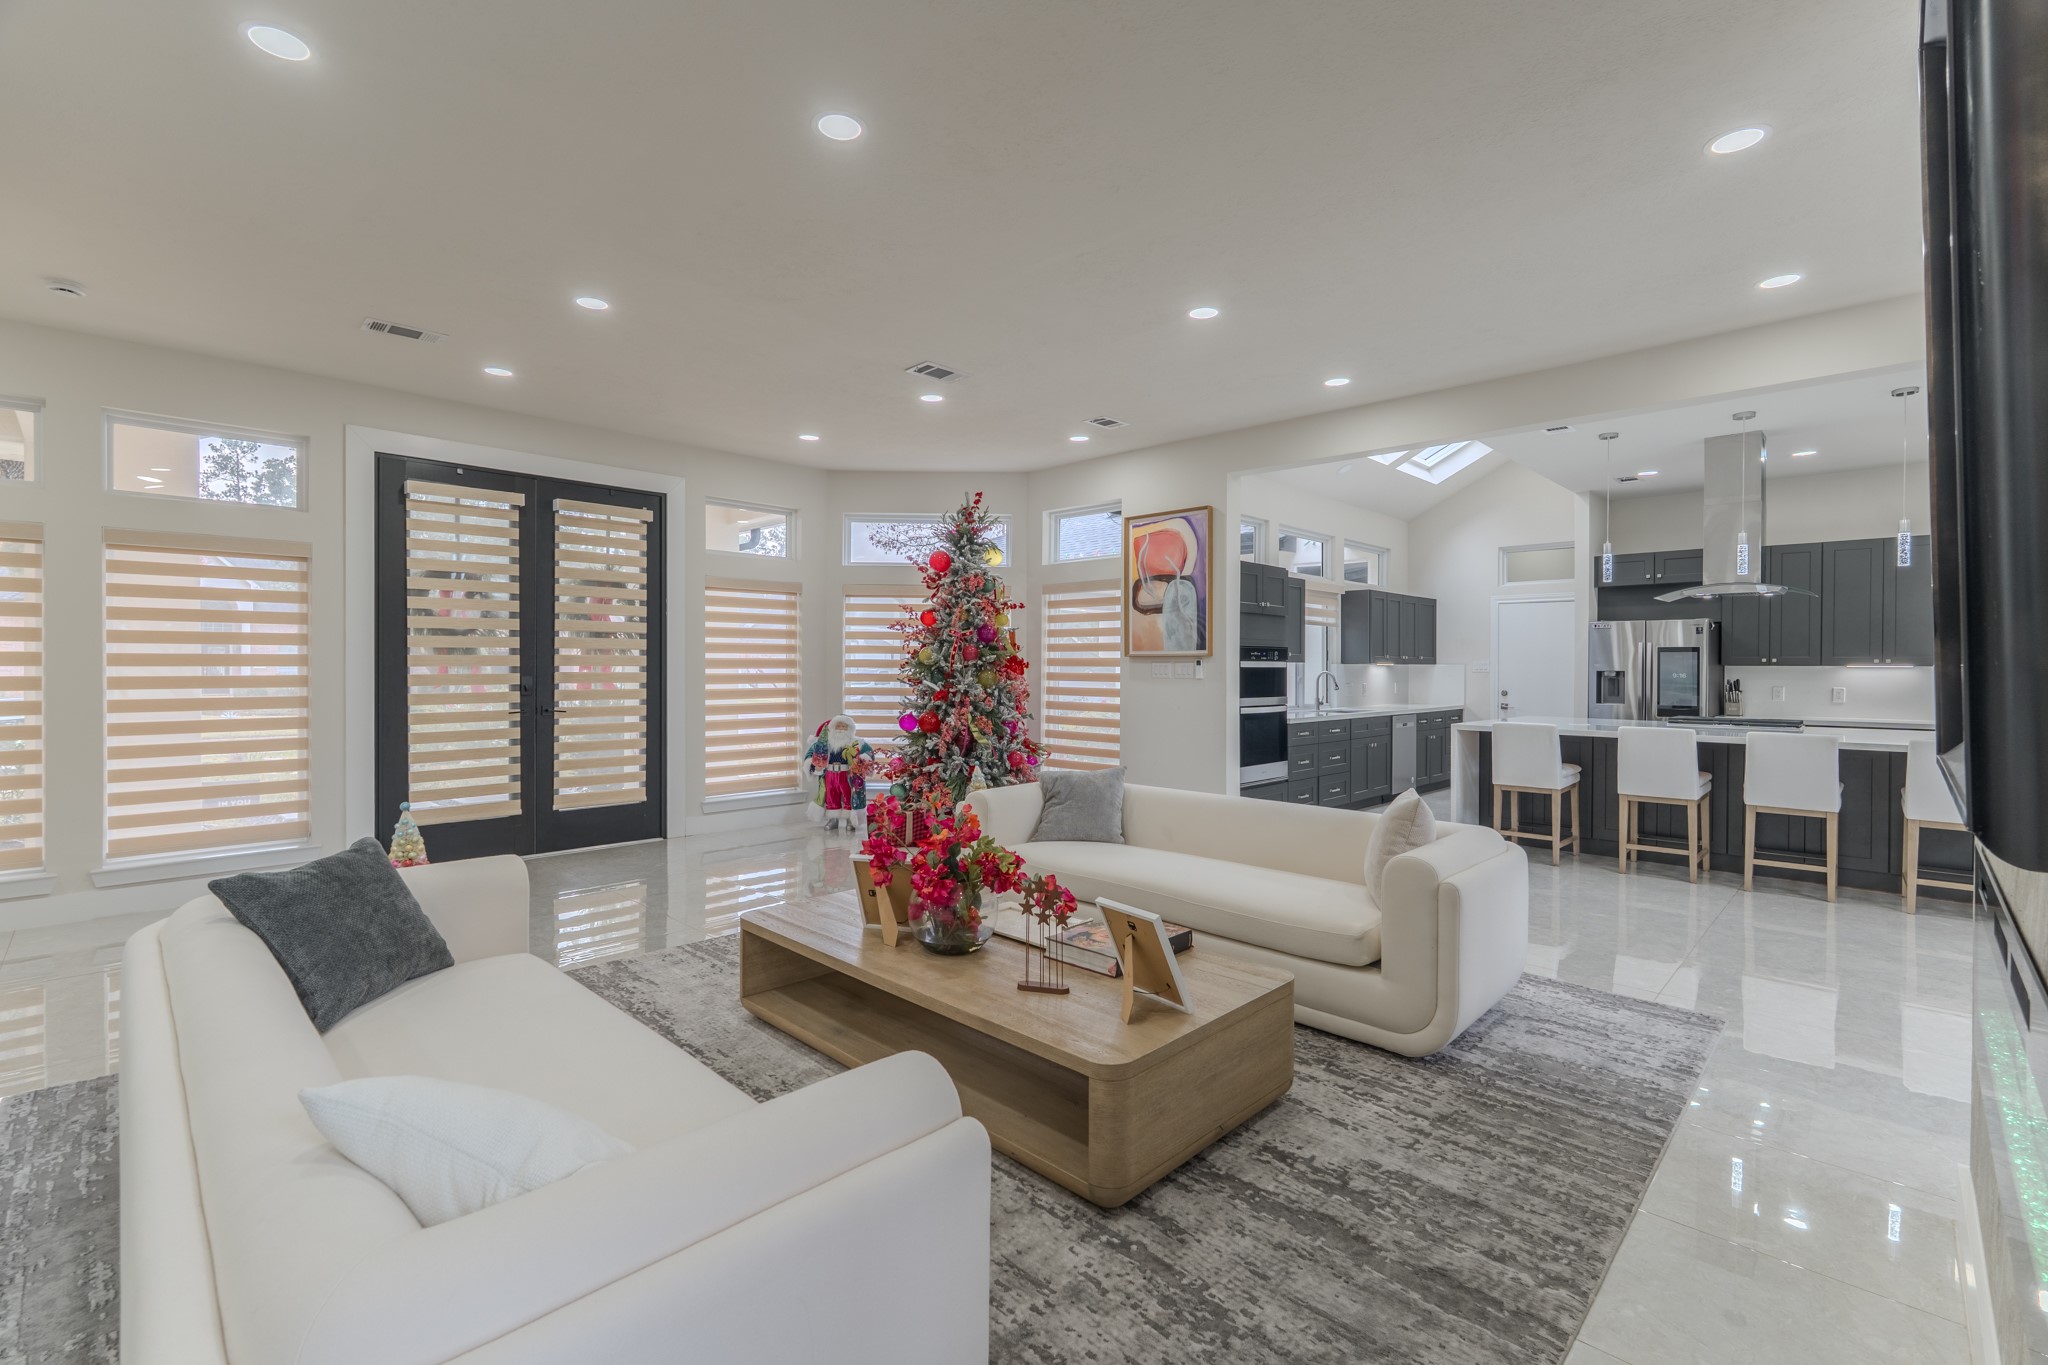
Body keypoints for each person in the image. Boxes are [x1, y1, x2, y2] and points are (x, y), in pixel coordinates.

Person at [799, 714, 873, 832]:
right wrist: (813, 763)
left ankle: (850, 820)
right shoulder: (824, 743)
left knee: (849, 796)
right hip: (830, 774)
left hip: (847, 774)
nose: (841, 729)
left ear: (850, 729)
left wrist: (861, 760)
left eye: (844, 726)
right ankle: (833, 819)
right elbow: (810, 755)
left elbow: (868, 754)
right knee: (831, 796)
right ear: (833, 727)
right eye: (838, 726)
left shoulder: (857, 743)